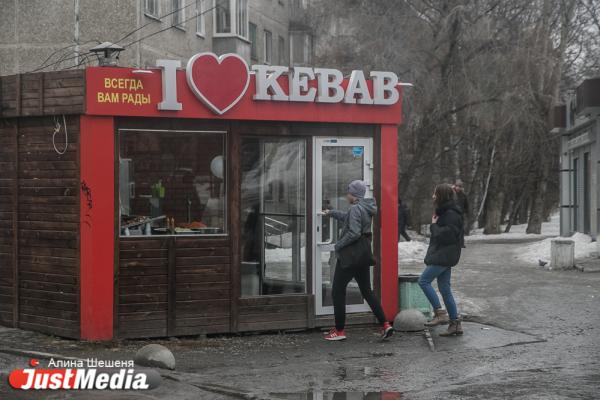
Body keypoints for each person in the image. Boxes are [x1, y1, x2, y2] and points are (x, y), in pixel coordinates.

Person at [323, 180, 393, 341]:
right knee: (367, 291)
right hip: (362, 255)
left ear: (353, 194)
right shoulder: (365, 207)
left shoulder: (355, 208)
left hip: (350, 257)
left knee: (337, 292)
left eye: (348, 192)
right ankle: (385, 324)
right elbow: (347, 218)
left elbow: (354, 232)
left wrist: (338, 245)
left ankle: (339, 331)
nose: (347, 195)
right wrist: (331, 212)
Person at [418, 183, 465, 336]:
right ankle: (455, 325)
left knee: (423, 281)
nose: (433, 196)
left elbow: (448, 235)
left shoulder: (451, 213)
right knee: (445, 289)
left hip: (444, 255)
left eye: (435, 193)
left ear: (441, 196)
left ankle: (440, 313)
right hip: (446, 254)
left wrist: (433, 226)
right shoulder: (447, 212)